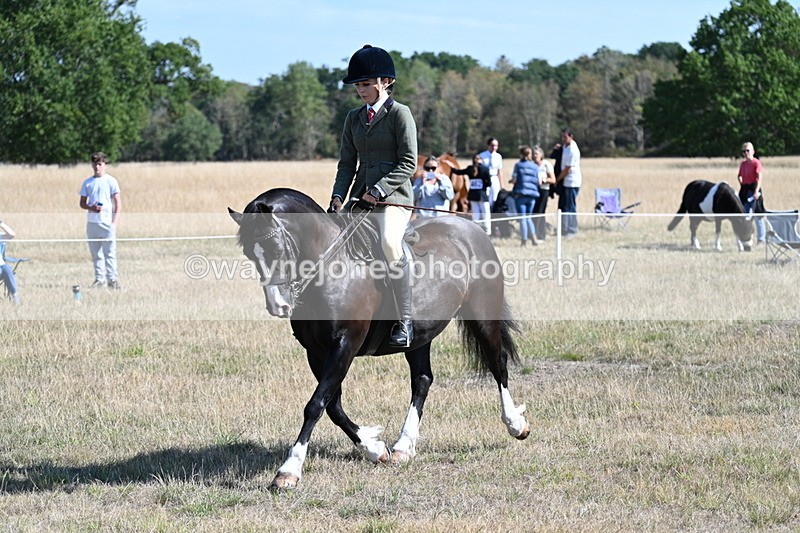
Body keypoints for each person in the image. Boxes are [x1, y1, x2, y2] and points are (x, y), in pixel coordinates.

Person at [328, 45, 418, 348]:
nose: (360, 90)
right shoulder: (353, 118)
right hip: (358, 201)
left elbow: (409, 162)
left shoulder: (400, 114)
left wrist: (377, 191)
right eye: (357, 85)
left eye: (365, 84)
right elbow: (346, 164)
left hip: (394, 200)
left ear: (385, 82)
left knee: (390, 244)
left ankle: (404, 320)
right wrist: (338, 197)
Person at [79, 152, 122, 289]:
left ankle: (112, 280)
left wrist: (114, 223)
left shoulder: (111, 181)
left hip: (107, 223)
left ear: (105, 165)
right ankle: (99, 279)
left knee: (109, 253)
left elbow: (118, 203)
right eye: (95, 164)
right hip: (92, 223)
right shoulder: (87, 183)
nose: (97, 167)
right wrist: (91, 207)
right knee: (96, 253)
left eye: (100, 164)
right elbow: (82, 203)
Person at [452, 154, 492, 235]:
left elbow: (458, 172)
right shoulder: (485, 169)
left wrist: (451, 167)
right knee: (486, 214)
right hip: (482, 195)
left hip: (473, 195)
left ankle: (475, 232)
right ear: (481, 160)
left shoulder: (470, 168)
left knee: (475, 215)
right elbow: (489, 183)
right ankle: (487, 232)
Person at [509, 146, 540, 246]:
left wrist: (511, 181)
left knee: (522, 218)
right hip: (532, 195)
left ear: (521, 154)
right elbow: (538, 181)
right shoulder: (535, 166)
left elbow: (514, 180)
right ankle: (534, 239)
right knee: (528, 217)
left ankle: (524, 240)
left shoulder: (518, 165)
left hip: (521, 194)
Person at [555, 128, 582, 237]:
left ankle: (572, 229)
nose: (563, 139)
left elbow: (567, 169)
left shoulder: (573, 150)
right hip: (565, 182)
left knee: (570, 206)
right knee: (563, 206)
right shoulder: (565, 147)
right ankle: (564, 228)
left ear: (571, 137)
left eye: (565, 137)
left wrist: (557, 180)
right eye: (562, 137)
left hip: (571, 181)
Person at [738, 141, 766, 243]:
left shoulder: (756, 163)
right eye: (744, 151)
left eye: (748, 151)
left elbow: (759, 177)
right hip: (745, 190)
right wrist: (741, 183)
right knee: (745, 214)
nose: (746, 153)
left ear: (753, 151)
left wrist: (756, 191)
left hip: (754, 189)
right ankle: (746, 237)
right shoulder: (743, 164)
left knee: (758, 215)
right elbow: (739, 175)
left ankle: (761, 238)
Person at [532, 145, 557, 241]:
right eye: (533, 154)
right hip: (534, 190)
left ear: (541, 154)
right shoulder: (532, 165)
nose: (534, 156)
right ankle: (534, 233)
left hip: (543, 190)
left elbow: (553, 179)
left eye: (536, 154)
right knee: (534, 212)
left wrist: (544, 180)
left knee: (540, 212)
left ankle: (541, 234)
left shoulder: (546, 164)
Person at [478, 137, 505, 210]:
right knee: (486, 198)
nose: (494, 147)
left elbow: (500, 171)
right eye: (492, 145)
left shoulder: (498, 156)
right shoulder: (482, 155)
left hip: (494, 178)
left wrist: (502, 185)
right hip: (486, 179)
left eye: (496, 146)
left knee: (494, 198)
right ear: (488, 145)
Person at [0, 219, 21, 305]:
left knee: (7, 268)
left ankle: (15, 296)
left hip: (1, 267)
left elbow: (11, 235)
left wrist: (1, 223)